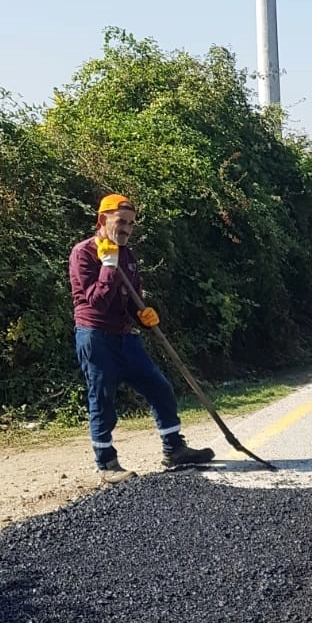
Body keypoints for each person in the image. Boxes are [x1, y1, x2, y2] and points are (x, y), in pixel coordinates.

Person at [69, 194, 214, 484]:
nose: (126, 229)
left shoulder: (129, 256)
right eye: (121, 222)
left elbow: (132, 300)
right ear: (102, 220)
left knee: (159, 387)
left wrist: (144, 316)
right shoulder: (84, 253)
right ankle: (107, 464)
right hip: (96, 337)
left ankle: (174, 449)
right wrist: (108, 267)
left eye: (131, 224)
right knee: (103, 399)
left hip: (126, 337)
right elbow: (96, 303)